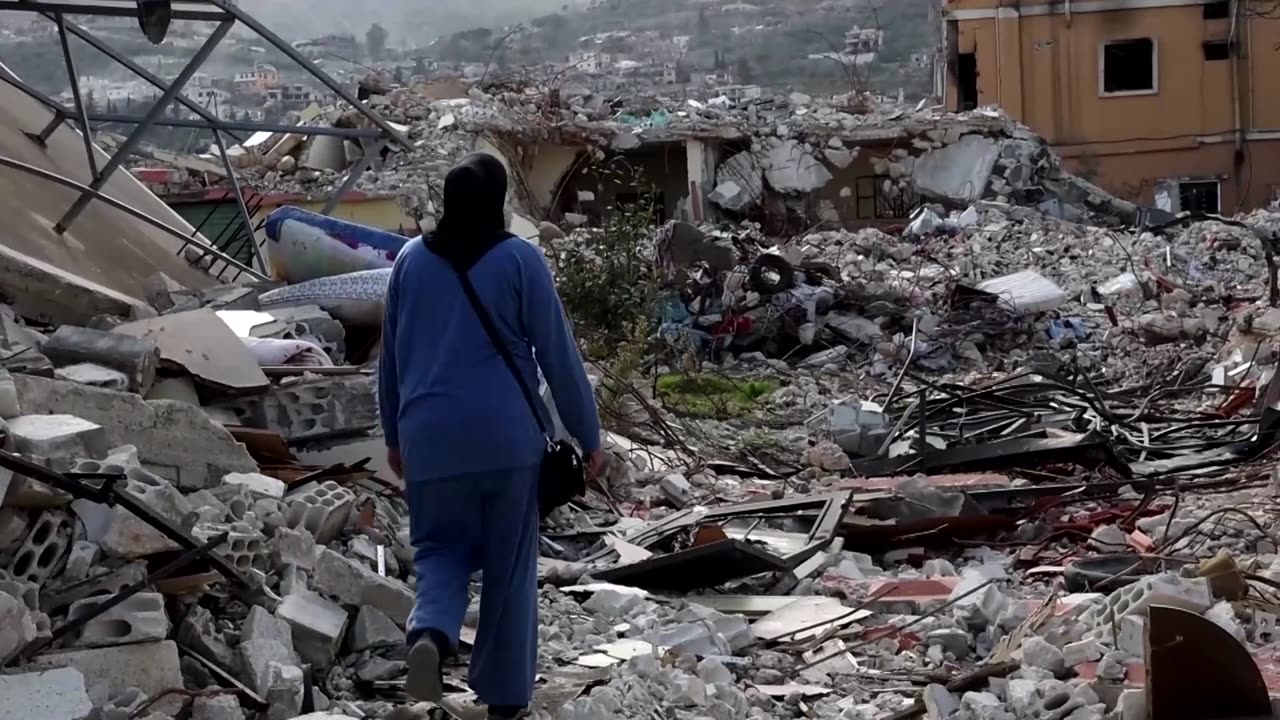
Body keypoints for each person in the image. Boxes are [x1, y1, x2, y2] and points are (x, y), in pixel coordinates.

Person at [378, 153, 604, 719]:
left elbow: (391, 362)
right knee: (509, 565)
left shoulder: (408, 262)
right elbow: (558, 355)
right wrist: (588, 434)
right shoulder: (519, 260)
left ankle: (430, 633)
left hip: (428, 439)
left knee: (439, 551)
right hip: (506, 443)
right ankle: (505, 700)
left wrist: (394, 437)